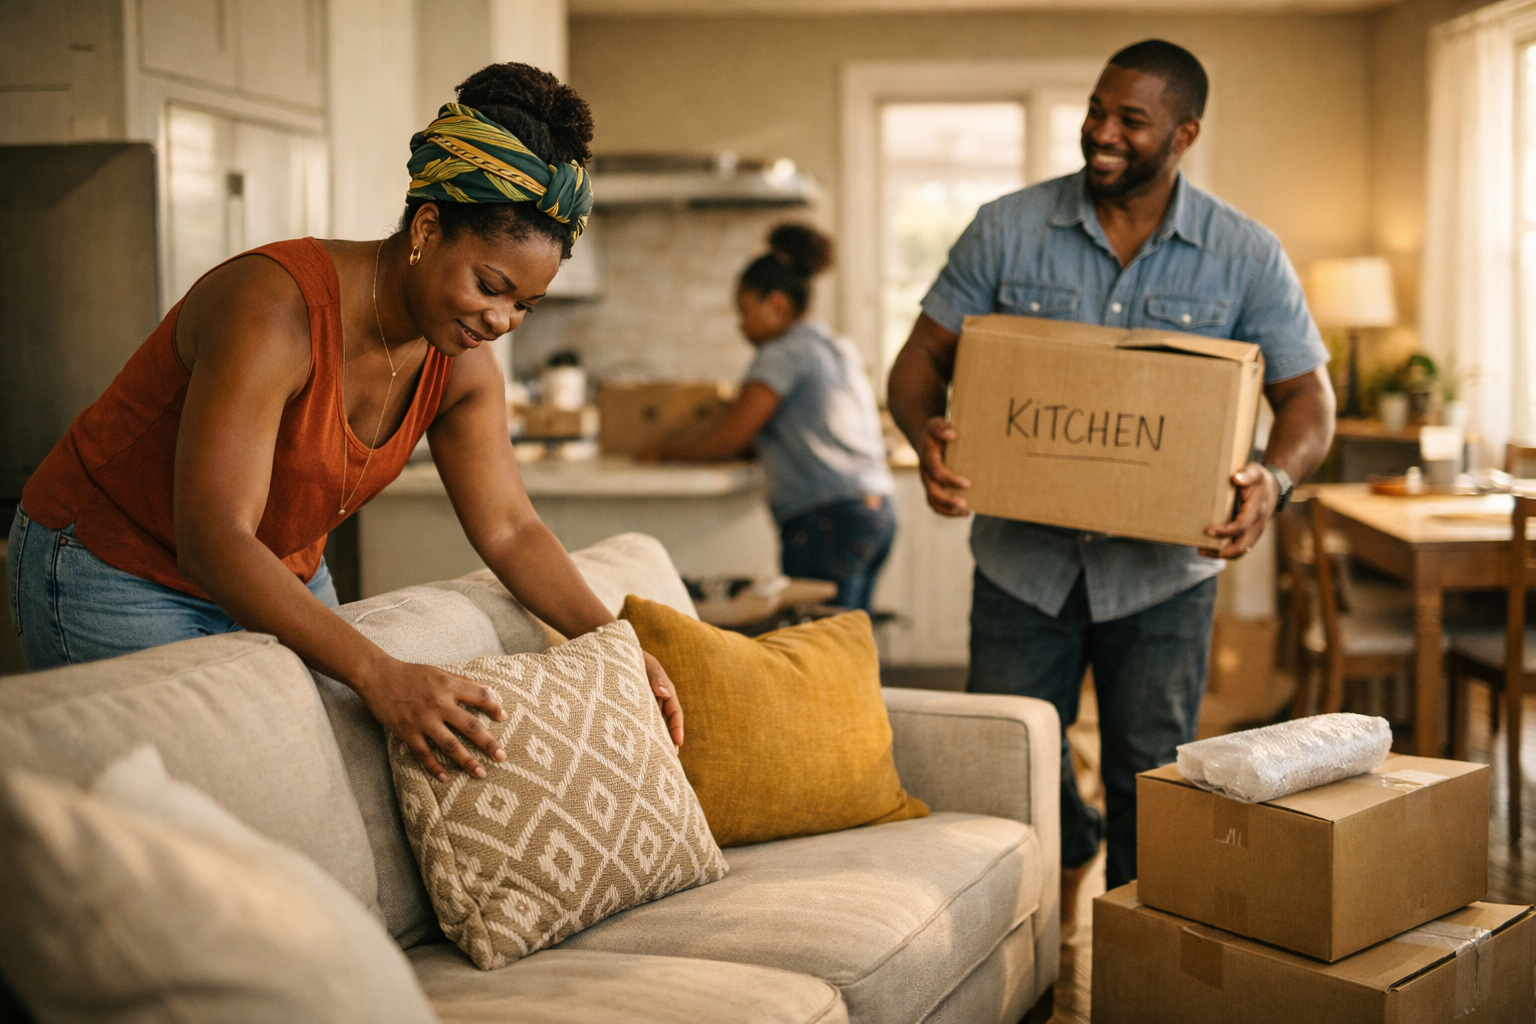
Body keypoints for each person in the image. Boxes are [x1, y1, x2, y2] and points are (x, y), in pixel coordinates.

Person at [7, 63, 684, 782]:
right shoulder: (275, 309)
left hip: (276, 567)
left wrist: (615, 644)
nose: (502, 320)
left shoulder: (460, 366)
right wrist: (379, 672)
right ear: (427, 227)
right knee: (172, 811)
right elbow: (214, 537)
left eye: (525, 305)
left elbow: (511, 529)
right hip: (116, 565)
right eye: (490, 286)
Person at [887, 40, 1336, 921]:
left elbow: (1308, 399)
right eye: (1097, 109)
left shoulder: (1245, 254)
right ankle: (1037, 909)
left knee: (1153, 777)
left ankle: (1143, 958)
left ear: (1184, 134)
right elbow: (919, 361)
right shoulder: (1006, 228)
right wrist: (924, 433)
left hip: (1163, 578)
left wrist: (1274, 480)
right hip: (1022, 567)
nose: (1102, 132)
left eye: (1131, 119)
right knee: (1010, 766)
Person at [644, 224, 895, 612]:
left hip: (828, 520)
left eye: (745, 311)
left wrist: (661, 451)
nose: (740, 325)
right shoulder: (834, 345)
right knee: (849, 637)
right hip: (876, 511)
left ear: (776, 304)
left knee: (818, 640)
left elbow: (730, 439)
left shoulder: (781, 353)